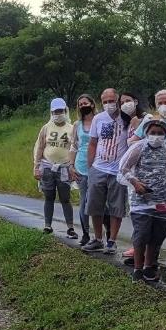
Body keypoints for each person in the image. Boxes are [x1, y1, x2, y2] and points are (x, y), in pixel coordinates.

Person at [118, 119, 166, 283]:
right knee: (142, 234)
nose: (156, 136)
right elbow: (123, 168)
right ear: (146, 133)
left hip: (162, 201)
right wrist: (135, 182)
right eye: (153, 133)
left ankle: (149, 266)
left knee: (157, 235)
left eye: (160, 133)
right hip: (142, 201)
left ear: (165, 135)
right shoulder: (139, 147)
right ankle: (137, 269)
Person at [82, 89, 131, 255]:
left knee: (116, 207)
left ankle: (112, 241)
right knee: (95, 205)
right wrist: (90, 167)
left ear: (118, 100)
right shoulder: (98, 118)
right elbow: (93, 143)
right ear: (101, 102)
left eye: (112, 100)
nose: (109, 104)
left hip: (118, 170)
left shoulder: (127, 118)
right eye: (105, 101)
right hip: (99, 167)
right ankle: (97, 238)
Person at [33, 97, 77, 238]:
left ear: (65, 110)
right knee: (49, 197)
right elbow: (40, 147)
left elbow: (75, 148)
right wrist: (36, 166)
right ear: (52, 113)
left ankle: (70, 227)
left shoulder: (72, 129)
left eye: (60, 111)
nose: (58, 114)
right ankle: (47, 225)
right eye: (55, 111)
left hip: (64, 168)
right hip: (47, 167)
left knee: (65, 198)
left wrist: (72, 166)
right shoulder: (46, 128)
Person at [130, 89, 166, 161]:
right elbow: (132, 143)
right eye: (160, 103)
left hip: (165, 169)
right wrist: (148, 144)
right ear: (156, 106)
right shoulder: (148, 123)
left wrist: (163, 148)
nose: (163, 106)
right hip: (145, 167)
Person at [69, 94, 96, 245]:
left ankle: (103, 233)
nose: (83, 106)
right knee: (84, 200)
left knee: (98, 201)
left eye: (85, 103)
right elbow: (74, 146)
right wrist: (71, 166)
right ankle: (86, 233)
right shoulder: (77, 125)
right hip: (81, 165)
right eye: (80, 104)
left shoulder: (99, 121)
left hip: (97, 165)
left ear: (92, 104)